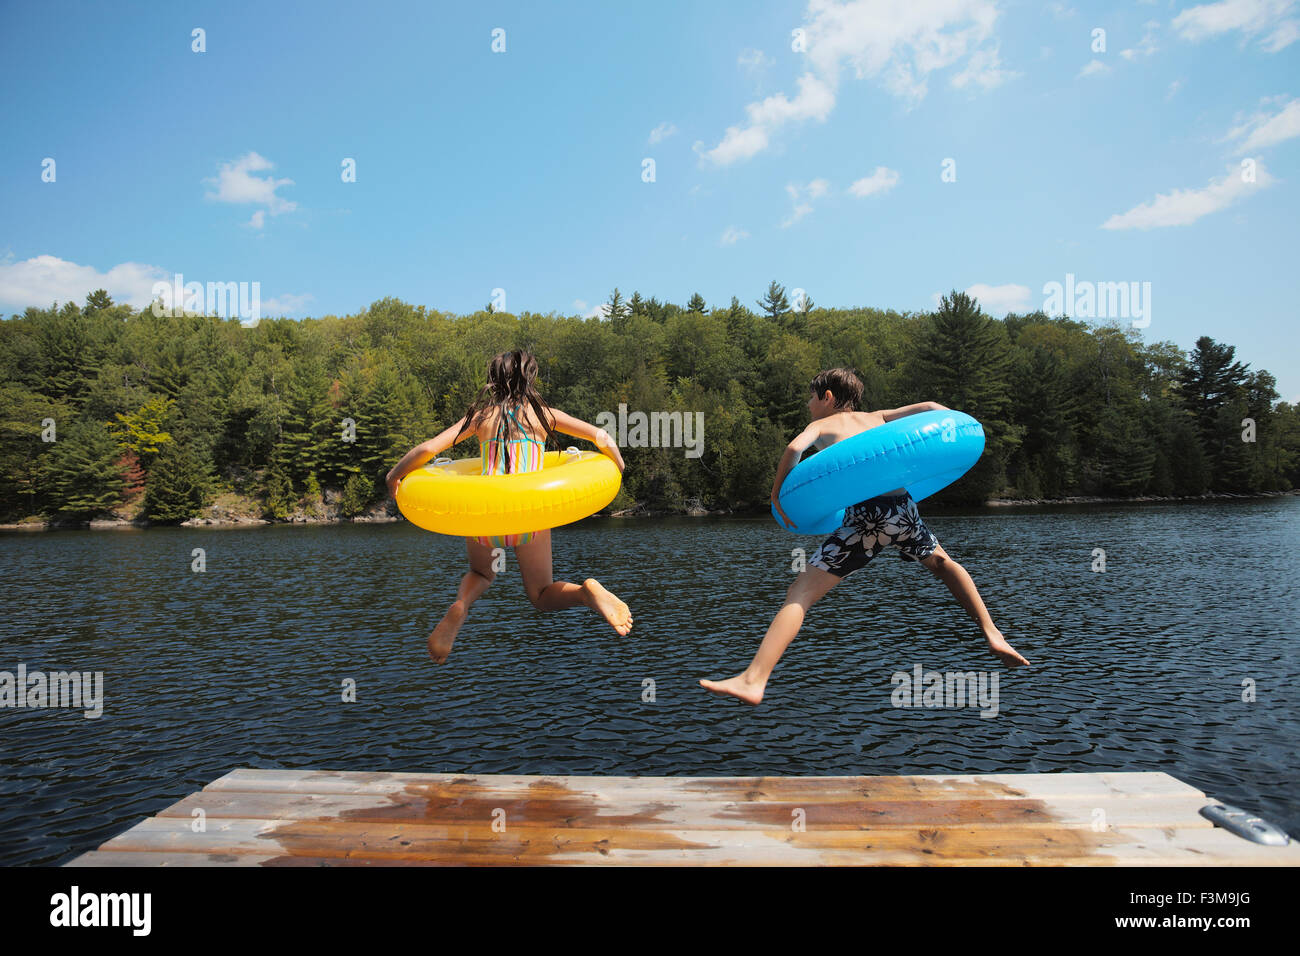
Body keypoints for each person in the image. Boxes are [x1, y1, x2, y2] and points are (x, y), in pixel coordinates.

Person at [700, 367, 1030, 705]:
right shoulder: (879, 417)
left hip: (864, 519)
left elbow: (793, 449)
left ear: (827, 397)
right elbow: (931, 407)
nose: (808, 404)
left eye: (811, 397)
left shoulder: (821, 425)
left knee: (800, 593)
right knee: (944, 564)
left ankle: (754, 679)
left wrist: (775, 496)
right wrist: (956, 432)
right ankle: (993, 634)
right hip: (902, 509)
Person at [386, 349, 632, 663]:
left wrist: (394, 476)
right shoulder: (543, 414)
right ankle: (586, 592)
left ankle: (461, 605)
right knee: (541, 595)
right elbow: (601, 437)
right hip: (530, 512)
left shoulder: (481, 417)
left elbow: (428, 449)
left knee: (481, 573)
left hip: (487, 512)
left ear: (494, 380)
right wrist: (619, 469)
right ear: (530, 379)